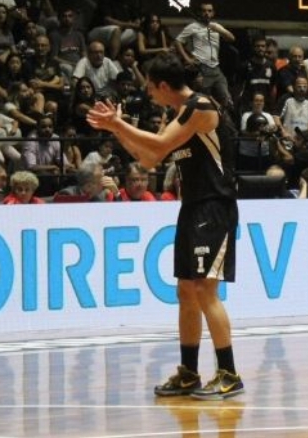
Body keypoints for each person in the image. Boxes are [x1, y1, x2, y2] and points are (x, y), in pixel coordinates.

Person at [86, 52, 244, 400]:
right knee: (185, 292)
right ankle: (189, 372)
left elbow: (156, 146)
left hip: (213, 207)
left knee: (205, 290)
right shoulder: (177, 114)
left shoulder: (200, 107)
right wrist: (117, 129)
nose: (149, 93)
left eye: (149, 87)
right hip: (192, 207)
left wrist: (118, 125)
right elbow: (150, 158)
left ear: (161, 85)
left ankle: (229, 373)